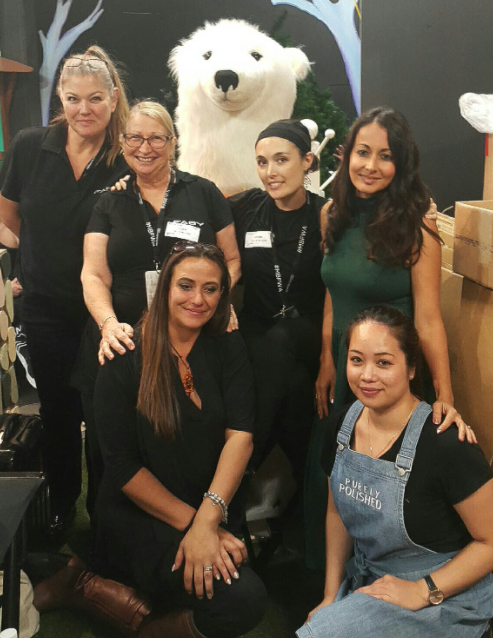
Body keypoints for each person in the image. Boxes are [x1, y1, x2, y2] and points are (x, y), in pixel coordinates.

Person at [305, 107, 473, 568]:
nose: (370, 165)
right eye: (363, 152)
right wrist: (326, 359)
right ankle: (331, 578)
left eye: (385, 156)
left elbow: (430, 319)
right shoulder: (331, 214)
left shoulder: (418, 225)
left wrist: (445, 395)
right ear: (347, 156)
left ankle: (382, 573)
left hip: (387, 374)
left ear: (402, 164)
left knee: (381, 482)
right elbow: (332, 293)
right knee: (335, 474)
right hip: (345, 367)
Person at [92, 242, 266, 638]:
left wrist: (208, 519)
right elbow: (123, 468)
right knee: (244, 598)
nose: (198, 299)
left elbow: (241, 437)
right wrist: (197, 527)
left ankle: (132, 613)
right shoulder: (125, 356)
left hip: (207, 507)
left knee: (239, 594)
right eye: (186, 285)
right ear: (165, 288)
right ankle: (104, 596)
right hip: (141, 517)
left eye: (210, 289)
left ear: (222, 296)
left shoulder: (227, 344)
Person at [78, 100, 241, 514]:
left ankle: (198, 516)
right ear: (122, 142)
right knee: (115, 443)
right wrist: (108, 324)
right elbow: (93, 274)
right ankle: (110, 534)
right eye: (135, 137)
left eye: (156, 138)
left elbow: (232, 260)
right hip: (125, 341)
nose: (145, 147)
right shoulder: (109, 202)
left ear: (173, 142)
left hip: (191, 338)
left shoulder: (202, 192)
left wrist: (218, 300)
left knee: (185, 439)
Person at [300, 306, 493, 638]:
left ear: (411, 367)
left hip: (445, 593)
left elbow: (490, 541)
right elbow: (336, 512)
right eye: (357, 360)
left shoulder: (445, 443)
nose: (367, 375)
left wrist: (422, 589)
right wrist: (330, 596)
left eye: (384, 363)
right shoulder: (340, 426)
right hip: (374, 581)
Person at [0, 46, 129, 535]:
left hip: (107, 310)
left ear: (113, 99)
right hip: (46, 306)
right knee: (57, 409)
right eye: (73, 98)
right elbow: (8, 218)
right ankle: (61, 505)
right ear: (60, 97)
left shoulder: (125, 156)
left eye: (95, 98)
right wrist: (32, 262)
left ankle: (106, 512)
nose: (83, 109)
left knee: (105, 412)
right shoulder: (30, 146)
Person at [229, 119, 329, 483]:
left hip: (307, 331)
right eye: (262, 162)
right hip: (257, 330)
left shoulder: (326, 214)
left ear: (307, 161)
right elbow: (193, 202)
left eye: (281, 160)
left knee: (282, 340)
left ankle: (243, 462)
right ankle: (305, 500)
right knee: (295, 388)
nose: (270, 172)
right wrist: (131, 183)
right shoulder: (246, 208)